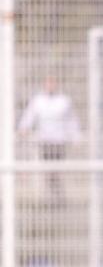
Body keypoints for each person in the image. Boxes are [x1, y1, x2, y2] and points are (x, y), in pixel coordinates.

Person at [17, 77, 80, 205]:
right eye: (48, 83)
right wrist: (23, 128)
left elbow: (71, 120)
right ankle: (52, 197)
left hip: (59, 141)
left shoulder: (64, 101)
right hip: (45, 141)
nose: (50, 86)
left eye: (53, 83)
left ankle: (58, 197)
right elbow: (29, 116)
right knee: (48, 170)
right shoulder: (38, 100)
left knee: (56, 170)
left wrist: (75, 137)